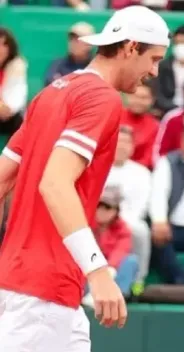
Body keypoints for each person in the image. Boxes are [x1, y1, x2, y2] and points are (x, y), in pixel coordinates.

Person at [0, 6, 170, 352]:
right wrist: (98, 270)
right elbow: (55, 183)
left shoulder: (50, 94)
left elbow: (2, 179)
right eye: (153, 59)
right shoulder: (102, 97)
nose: (154, 71)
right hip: (44, 292)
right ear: (131, 47)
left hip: (24, 284)